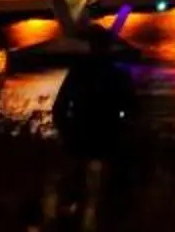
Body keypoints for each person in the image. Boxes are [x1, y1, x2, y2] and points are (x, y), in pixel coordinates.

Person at [45, 41, 136, 231]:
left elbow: (59, 107)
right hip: (105, 140)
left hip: (79, 138)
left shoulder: (78, 73)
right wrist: (122, 128)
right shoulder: (117, 75)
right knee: (97, 191)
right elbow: (132, 109)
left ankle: (63, 218)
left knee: (71, 184)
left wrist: (65, 129)